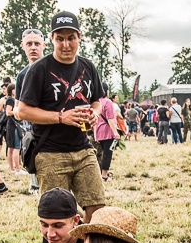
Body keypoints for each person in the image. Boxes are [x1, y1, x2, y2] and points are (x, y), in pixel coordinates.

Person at [15, 12, 107, 221]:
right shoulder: (39, 69)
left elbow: (97, 100)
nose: (66, 44)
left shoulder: (88, 66)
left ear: (79, 38)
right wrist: (60, 117)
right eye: (60, 39)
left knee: (97, 207)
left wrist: (94, 113)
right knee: (57, 215)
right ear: (52, 40)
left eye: (71, 38)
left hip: (82, 148)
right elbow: (22, 111)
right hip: (50, 152)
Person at [15, 27, 47, 194]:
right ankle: (35, 184)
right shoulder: (22, 75)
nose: (33, 47)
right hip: (30, 126)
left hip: (51, 123)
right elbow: (18, 105)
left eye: (36, 43)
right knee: (32, 152)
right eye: (29, 44)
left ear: (44, 45)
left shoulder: (52, 68)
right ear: (23, 46)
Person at [94, 91, 121, 181]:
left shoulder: (95, 102)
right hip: (107, 132)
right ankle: (104, 175)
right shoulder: (107, 102)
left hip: (98, 131)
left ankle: (101, 172)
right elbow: (110, 119)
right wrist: (115, 132)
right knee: (107, 154)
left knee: (101, 154)